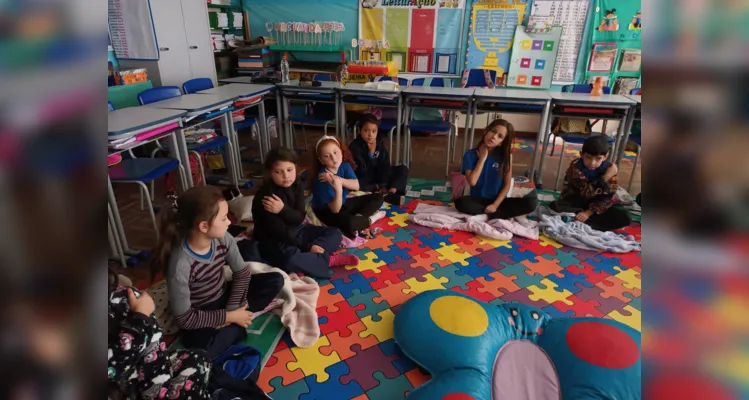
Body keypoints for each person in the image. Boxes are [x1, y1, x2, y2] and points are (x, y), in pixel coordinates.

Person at [153, 185, 284, 359]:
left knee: (275, 280)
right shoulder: (180, 264)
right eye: (224, 218)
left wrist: (232, 311)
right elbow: (185, 319)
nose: (230, 222)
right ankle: (237, 323)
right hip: (200, 313)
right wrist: (229, 316)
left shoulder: (224, 238)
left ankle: (237, 321)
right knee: (201, 352)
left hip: (225, 296)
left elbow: (242, 273)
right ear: (204, 226)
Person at [252, 147, 359, 278]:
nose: (286, 176)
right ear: (270, 173)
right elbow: (278, 232)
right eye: (278, 172)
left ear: (295, 168)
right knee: (289, 259)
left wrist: (282, 209)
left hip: (297, 230)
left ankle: (310, 261)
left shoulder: (297, 183)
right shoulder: (267, 196)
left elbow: (299, 217)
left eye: (289, 170)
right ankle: (328, 260)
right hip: (274, 239)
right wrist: (309, 247)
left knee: (335, 233)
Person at [108, 270, 211, 400]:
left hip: (156, 374)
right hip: (128, 389)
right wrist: (140, 319)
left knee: (199, 358)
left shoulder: (121, 295)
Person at [454, 119, 538, 219]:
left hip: (499, 201)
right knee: (461, 203)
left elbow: (507, 185)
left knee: (531, 203)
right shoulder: (470, 155)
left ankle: (489, 214)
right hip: (477, 200)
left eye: (500, 136)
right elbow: (472, 182)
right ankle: (496, 215)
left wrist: (495, 205)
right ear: (486, 131)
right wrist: (482, 159)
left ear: (501, 143)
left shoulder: (505, 156)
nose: (494, 137)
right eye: (493, 131)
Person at [550, 135, 632, 231]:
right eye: (588, 157)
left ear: (605, 156)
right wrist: (605, 177)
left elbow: (609, 196)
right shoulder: (576, 168)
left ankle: (579, 220)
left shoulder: (609, 169)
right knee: (555, 207)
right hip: (576, 202)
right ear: (581, 154)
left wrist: (588, 213)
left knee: (625, 216)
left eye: (598, 158)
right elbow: (586, 193)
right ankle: (585, 221)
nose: (592, 163)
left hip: (596, 206)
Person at [311, 135, 385, 238]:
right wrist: (338, 189)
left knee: (378, 197)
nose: (333, 158)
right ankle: (371, 219)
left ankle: (358, 219)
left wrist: (339, 181)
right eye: (327, 156)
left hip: (343, 203)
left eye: (335, 152)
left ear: (341, 152)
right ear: (321, 160)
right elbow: (335, 210)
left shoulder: (344, 166)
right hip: (328, 211)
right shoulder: (322, 178)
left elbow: (356, 186)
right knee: (350, 223)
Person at [349, 114, 409, 205]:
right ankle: (377, 189)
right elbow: (362, 170)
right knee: (356, 186)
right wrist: (371, 153)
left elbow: (385, 165)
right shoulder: (354, 147)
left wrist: (383, 184)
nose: (370, 135)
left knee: (403, 169)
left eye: (374, 131)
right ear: (359, 131)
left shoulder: (379, 143)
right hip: (365, 179)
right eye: (366, 131)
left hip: (379, 177)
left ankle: (391, 193)